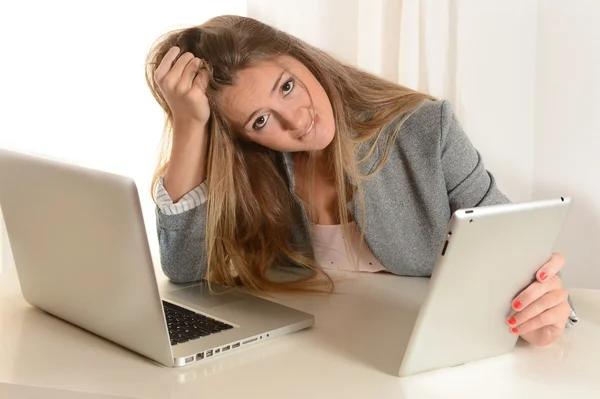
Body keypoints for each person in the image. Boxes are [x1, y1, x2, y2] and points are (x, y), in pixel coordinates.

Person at [145, 15, 576, 346]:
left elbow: (516, 257)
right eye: (260, 120)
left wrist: (546, 310)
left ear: (301, 57)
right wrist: (190, 127)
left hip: (419, 356)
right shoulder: (258, 171)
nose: (296, 120)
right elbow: (185, 271)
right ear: (241, 138)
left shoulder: (426, 131)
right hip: (309, 360)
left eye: (288, 86)